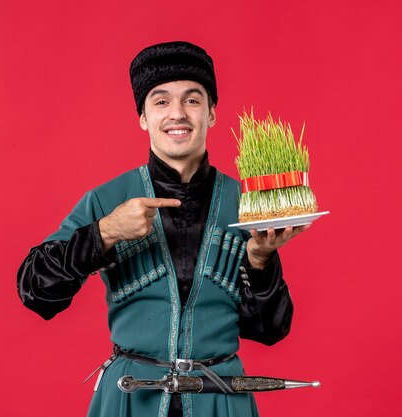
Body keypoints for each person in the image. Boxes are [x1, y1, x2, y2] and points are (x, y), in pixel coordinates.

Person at [17, 41, 309, 417]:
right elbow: (35, 291)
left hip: (220, 399)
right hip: (128, 400)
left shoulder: (246, 203)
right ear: (142, 117)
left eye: (192, 100)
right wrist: (105, 232)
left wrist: (260, 259)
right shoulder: (106, 201)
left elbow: (270, 331)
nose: (177, 114)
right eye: (160, 101)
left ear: (212, 113)